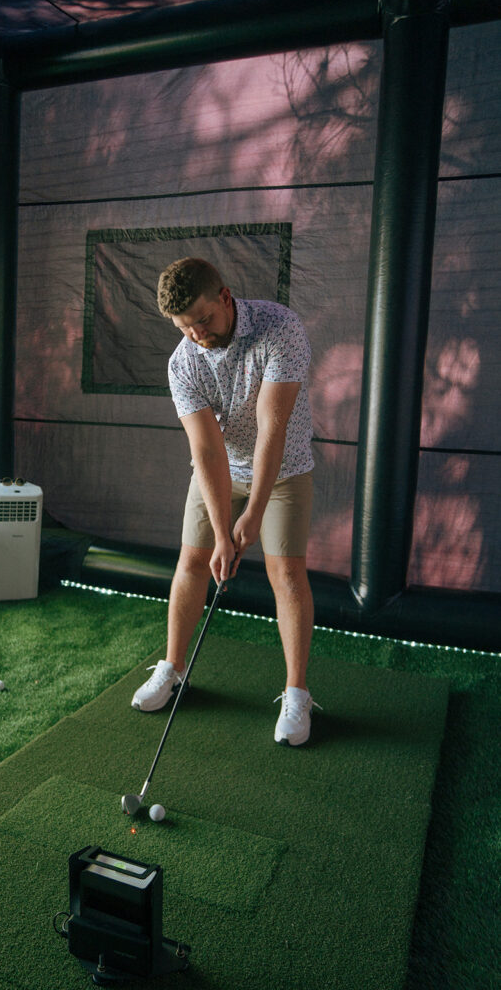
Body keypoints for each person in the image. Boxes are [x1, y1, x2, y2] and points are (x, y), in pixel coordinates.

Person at [131, 257, 320, 746]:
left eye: (204, 320)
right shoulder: (182, 362)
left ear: (225, 297)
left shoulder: (281, 329)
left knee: (286, 573)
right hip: (222, 468)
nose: (197, 334)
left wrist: (253, 514)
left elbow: (271, 430)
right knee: (193, 560)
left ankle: (296, 693)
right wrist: (221, 533)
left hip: (283, 468)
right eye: (184, 327)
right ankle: (172, 670)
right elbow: (207, 449)